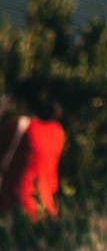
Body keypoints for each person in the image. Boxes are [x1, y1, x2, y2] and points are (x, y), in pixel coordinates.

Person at [0, 83, 64, 220]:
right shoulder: (57, 131)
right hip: (46, 207)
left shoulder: (21, 126)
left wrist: (2, 109)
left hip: (14, 205)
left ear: (23, 103)